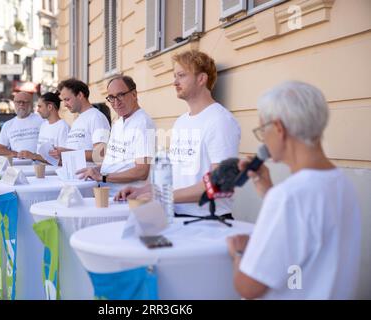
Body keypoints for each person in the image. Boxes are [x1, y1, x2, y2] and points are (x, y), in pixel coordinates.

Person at [226, 81, 361, 299]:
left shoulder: (288, 196)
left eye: (263, 129)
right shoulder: (342, 183)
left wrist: (240, 253)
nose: (263, 139)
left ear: (278, 128)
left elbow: (249, 287)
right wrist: (268, 191)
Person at [115, 50, 241, 218]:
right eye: (175, 76)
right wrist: (143, 190)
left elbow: (220, 183)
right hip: (177, 215)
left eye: (181, 75)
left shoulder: (220, 121)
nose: (175, 82)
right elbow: (176, 177)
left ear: (201, 79)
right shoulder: (181, 121)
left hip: (208, 221)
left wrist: (160, 196)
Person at [76, 75, 156, 196]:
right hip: (106, 194)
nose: (116, 102)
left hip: (126, 198)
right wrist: (95, 170)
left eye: (121, 95)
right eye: (111, 97)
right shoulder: (118, 123)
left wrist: (103, 177)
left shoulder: (144, 123)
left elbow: (142, 171)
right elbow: (114, 163)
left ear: (134, 94)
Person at [49, 78, 111, 164]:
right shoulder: (77, 120)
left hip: (89, 177)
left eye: (67, 99)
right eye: (63, 100)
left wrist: (66, 153)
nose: (65, 105)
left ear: (80, 95)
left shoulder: (97, 118)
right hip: (73, 176)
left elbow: (100, 155)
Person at [17, 91, 69, 163]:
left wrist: (33, 156)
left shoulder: (63, 127)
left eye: (40, 106)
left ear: (50, 107)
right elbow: (40, 155)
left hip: (53, 173)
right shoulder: (44, 125)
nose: (38, 110)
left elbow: (64, 160)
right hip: (39, 170)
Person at [0, 92, 44, 157]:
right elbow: (0, 149)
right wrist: (17, 154)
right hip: (18, 164)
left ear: (31, 104)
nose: (21, 104)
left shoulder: (42, 120)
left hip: (39, 164)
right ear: (14, 103)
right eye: (18, 102)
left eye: (25, 102)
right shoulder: (7, 125)